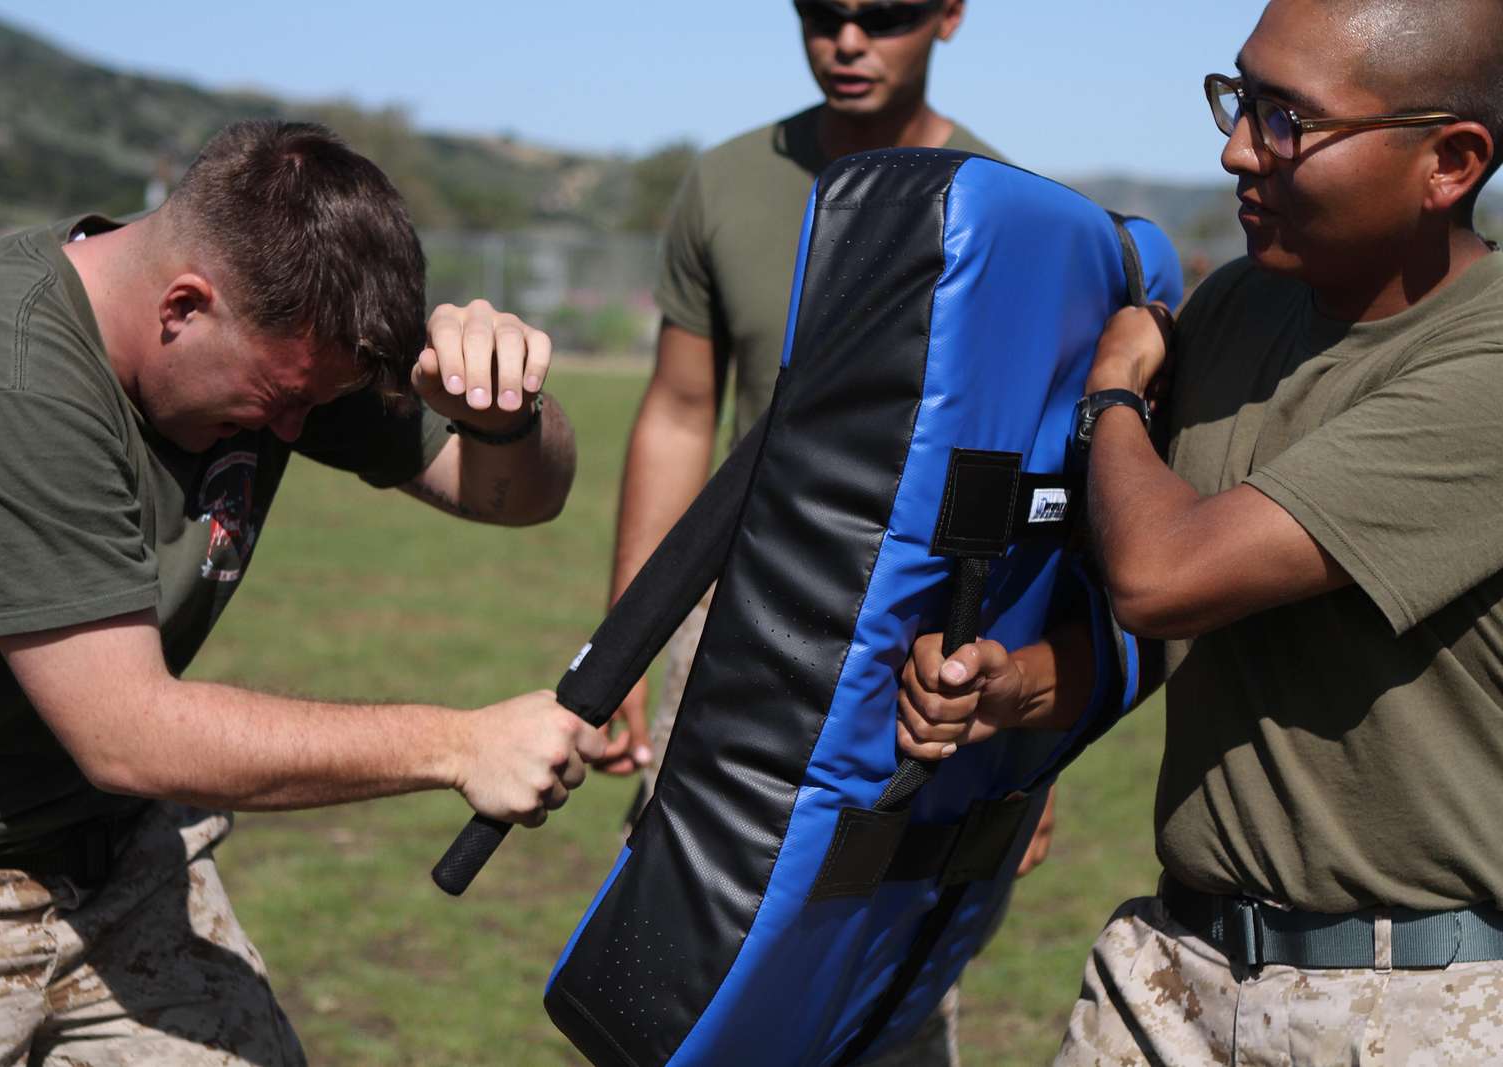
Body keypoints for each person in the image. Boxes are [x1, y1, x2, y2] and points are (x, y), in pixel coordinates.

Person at [0, 120, 607, 1065]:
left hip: (121, 854)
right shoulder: (6, 368)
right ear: (184, 304)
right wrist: (458, 743)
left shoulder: (285, 340)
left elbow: (515, 496)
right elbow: (129, 732)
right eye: (280, 402)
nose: (295, 429)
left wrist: (507, 413)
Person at [895, 0, 1503, 1061]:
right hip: (1172, 963)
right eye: (1239, 98)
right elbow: (1193, 624)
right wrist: (1030, 684)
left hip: (1409, 1003)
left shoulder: (1484, 371)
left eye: (1285, 120)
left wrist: (1114, 396)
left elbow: (1165, 575)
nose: (1233, 148)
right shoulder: (1236, 311)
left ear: (1447, 162)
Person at [595, 1, 1048, 1061]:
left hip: (918, 645)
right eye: (821, 12)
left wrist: (1028, 743)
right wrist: (631, 632)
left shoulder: (999, 204)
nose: (847, 41)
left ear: (947, 16)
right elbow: (677, 409)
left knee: (871, 940)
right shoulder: (727, 180)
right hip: (737, 620)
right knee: (685, 934)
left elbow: (1025, 480)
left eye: (882, 15)